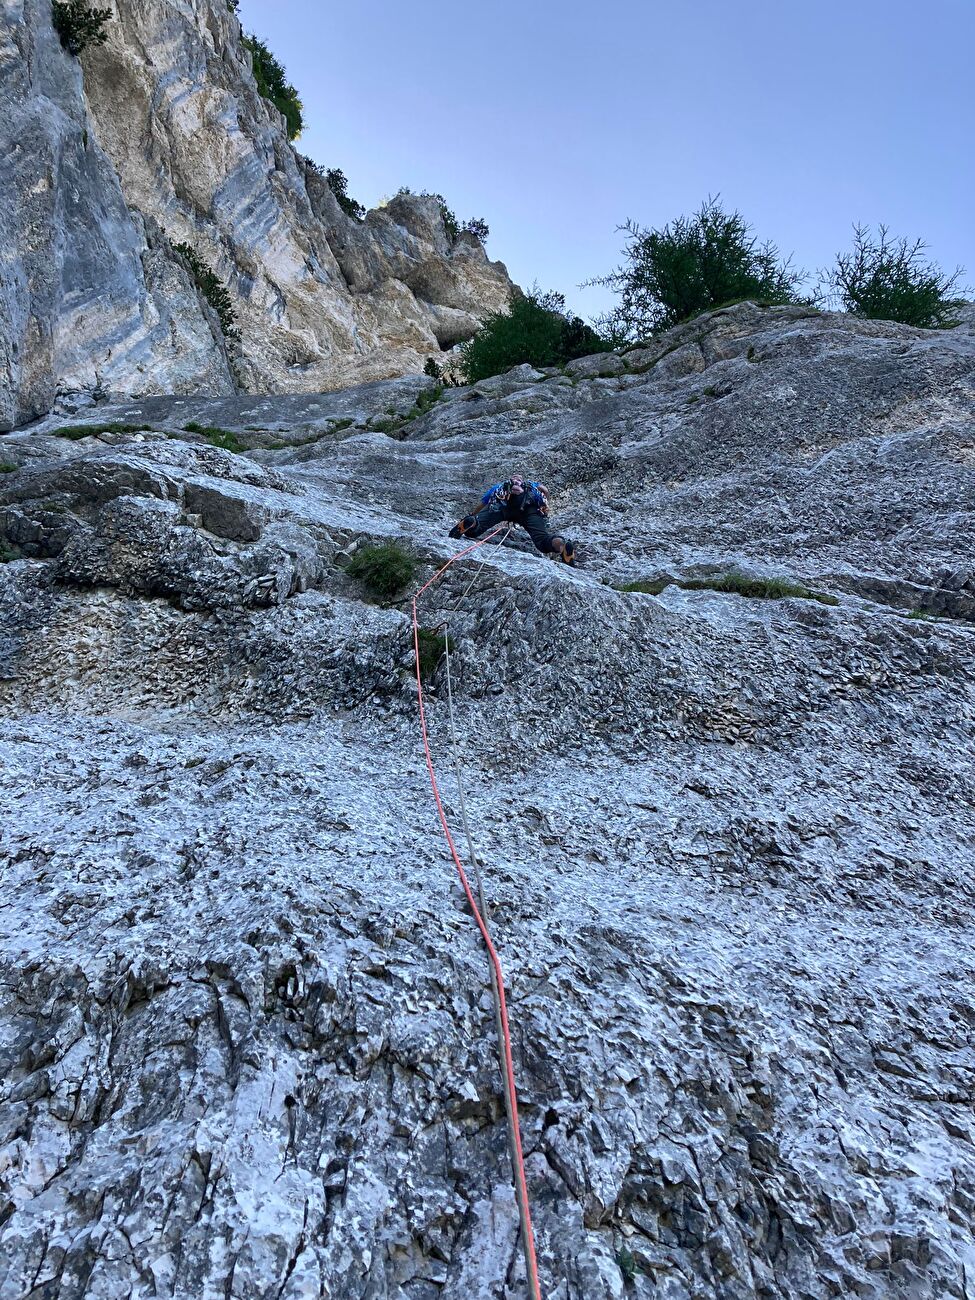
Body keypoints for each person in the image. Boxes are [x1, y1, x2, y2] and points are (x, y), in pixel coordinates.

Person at [449, 475, 576, 565]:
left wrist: (473, 514)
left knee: (475, 529)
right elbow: (545, 490)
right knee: (542, 540)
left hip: (503, 506)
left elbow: (484, 503)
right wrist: (545, 505)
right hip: (529, 509)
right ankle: (561, 545)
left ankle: (471, 523)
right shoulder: (531, 487)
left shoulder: (501, 487)